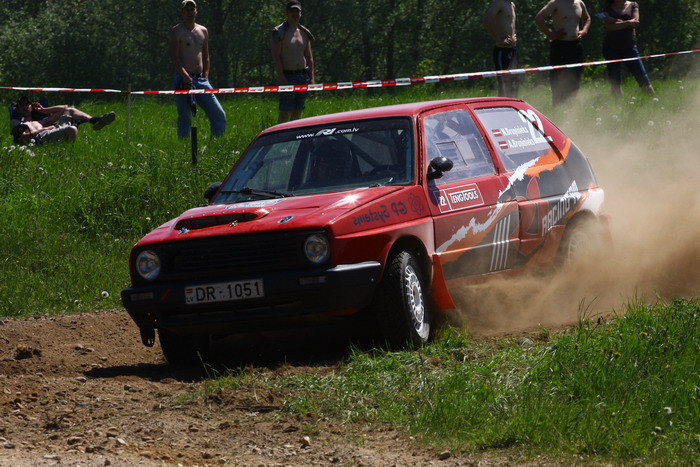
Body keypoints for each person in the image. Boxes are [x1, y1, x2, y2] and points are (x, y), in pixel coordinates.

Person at [169, 0, 226, 139]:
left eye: (192, 9)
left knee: (219, 114)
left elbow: (206, 56)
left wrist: (205, 76)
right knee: (185, 117)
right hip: (183, 80)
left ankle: (217, 144)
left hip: (201, 79)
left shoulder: (203, 30)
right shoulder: (177, 31)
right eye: (187, 10)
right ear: (182, 12)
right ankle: (184, 147)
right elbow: (174, 56)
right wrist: (184, 75)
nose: (190, 12)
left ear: (196, 11)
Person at [535, 0, 591, 106]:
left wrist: (585, 30)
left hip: (576, 46)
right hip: (560, 46)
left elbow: (587, 18)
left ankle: (571, 105)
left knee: (575, 76)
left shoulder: (580, 3)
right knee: (557, 77)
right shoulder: (555, 3)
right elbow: (539, 18)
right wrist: (550, 34)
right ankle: (557, 105)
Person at [270, 0, 315, 123]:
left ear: (301, 13)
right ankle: (280, 139)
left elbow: (309, 58)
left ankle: (295, 140)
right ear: (287, 13)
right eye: (292, 11)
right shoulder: (279, 32)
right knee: (285, 113)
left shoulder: (304, 33)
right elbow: (276, 57)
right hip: (288, 77)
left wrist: (311, 78)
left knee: (298, 113)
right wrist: (282, 78)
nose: (295, 14)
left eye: (297, 11)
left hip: (302, 76)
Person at [597, 0, 654, 96]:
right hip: (610, 48)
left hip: (630, 47)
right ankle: (618, 107)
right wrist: (628, 23)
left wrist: (615, 22)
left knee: (643, 78)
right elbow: (609, 27)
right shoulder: (607, 8)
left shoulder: (633, 5)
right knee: (615, 81)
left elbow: (635, 23)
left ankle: (654, 103)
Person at [9, 96, 115, 145]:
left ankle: (94, 120)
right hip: (42, 136)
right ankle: (68, 153)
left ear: (31, 106)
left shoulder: (40, 121)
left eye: (27, 104)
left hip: (54, 130)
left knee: (69, 110)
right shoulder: (18, 122)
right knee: (72, 129)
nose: (25, 107)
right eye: (21, 105)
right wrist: (47, 128)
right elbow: (22, 137)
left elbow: (64, 108)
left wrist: (44, 110)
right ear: (17, 109)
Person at [483, 0, 520, 98]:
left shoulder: (511, 4)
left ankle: (512, 109)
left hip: (513, 50)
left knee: (514, 83)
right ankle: (503, 110)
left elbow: (510, 25)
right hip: (501, 50)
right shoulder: (498, 2)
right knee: (504, 84)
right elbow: (487, 20)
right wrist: (498, 38)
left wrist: (513, 36)